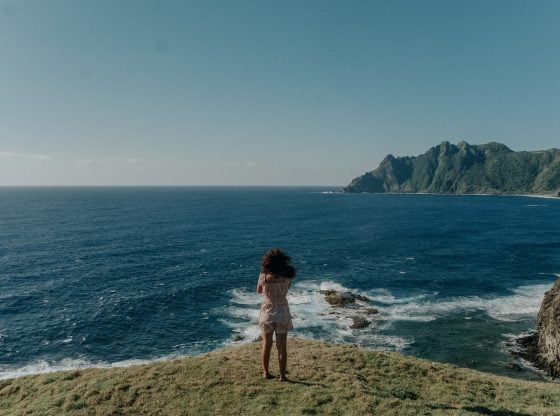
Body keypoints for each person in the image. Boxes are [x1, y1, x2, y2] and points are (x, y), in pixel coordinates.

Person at [256, 248, 296, 381]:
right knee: (282, 347)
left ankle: (266, 373)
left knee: (266, 345)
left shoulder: (264, 277)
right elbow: (287, 288)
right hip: (283, 312)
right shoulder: (287, 277)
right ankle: (282, 376)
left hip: (267, 312)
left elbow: (259, 291)